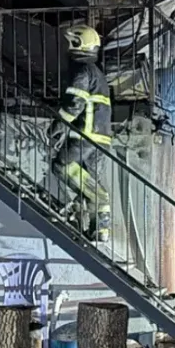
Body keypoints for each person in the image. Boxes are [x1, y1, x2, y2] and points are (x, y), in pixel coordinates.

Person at [47, 25, 113, 242]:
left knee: (62, 165)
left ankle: (100, 198)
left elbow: (74, 103)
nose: (68, 47)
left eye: (72, 42)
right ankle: (99, 229)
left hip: (86, 135)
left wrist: (58, 125)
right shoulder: (98, 74)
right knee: (87, 180)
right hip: (101, 138)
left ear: (80, 44)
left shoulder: (83, 71)